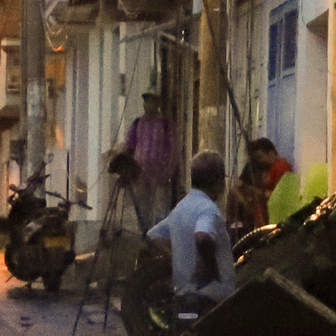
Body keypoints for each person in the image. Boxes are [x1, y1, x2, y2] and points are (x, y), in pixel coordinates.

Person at [151, 153, 237, 304]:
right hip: (215, 296)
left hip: (184, 292)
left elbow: (153, 236)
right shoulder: (208, 209)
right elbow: (202, 236)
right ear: (219, 182)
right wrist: (211, 272)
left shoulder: (181, 207)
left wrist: (176, 257)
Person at [118, 92, 181, 224]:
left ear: (158, 104)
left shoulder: (165, 124)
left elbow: (174, 151)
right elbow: (130, 146)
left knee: (160, 209)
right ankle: (145, 237)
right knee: (142, 208)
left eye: (152, 101)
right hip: (140, 173)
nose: (149, 104)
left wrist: (167, 173)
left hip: (160, 174)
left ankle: (157, 239)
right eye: (146, 101)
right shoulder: (137, 123)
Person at [227, 137, 292, 232]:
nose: (260, 161)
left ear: (271, 154)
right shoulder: (262, 169)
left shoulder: (280, 167)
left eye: (260, 157)